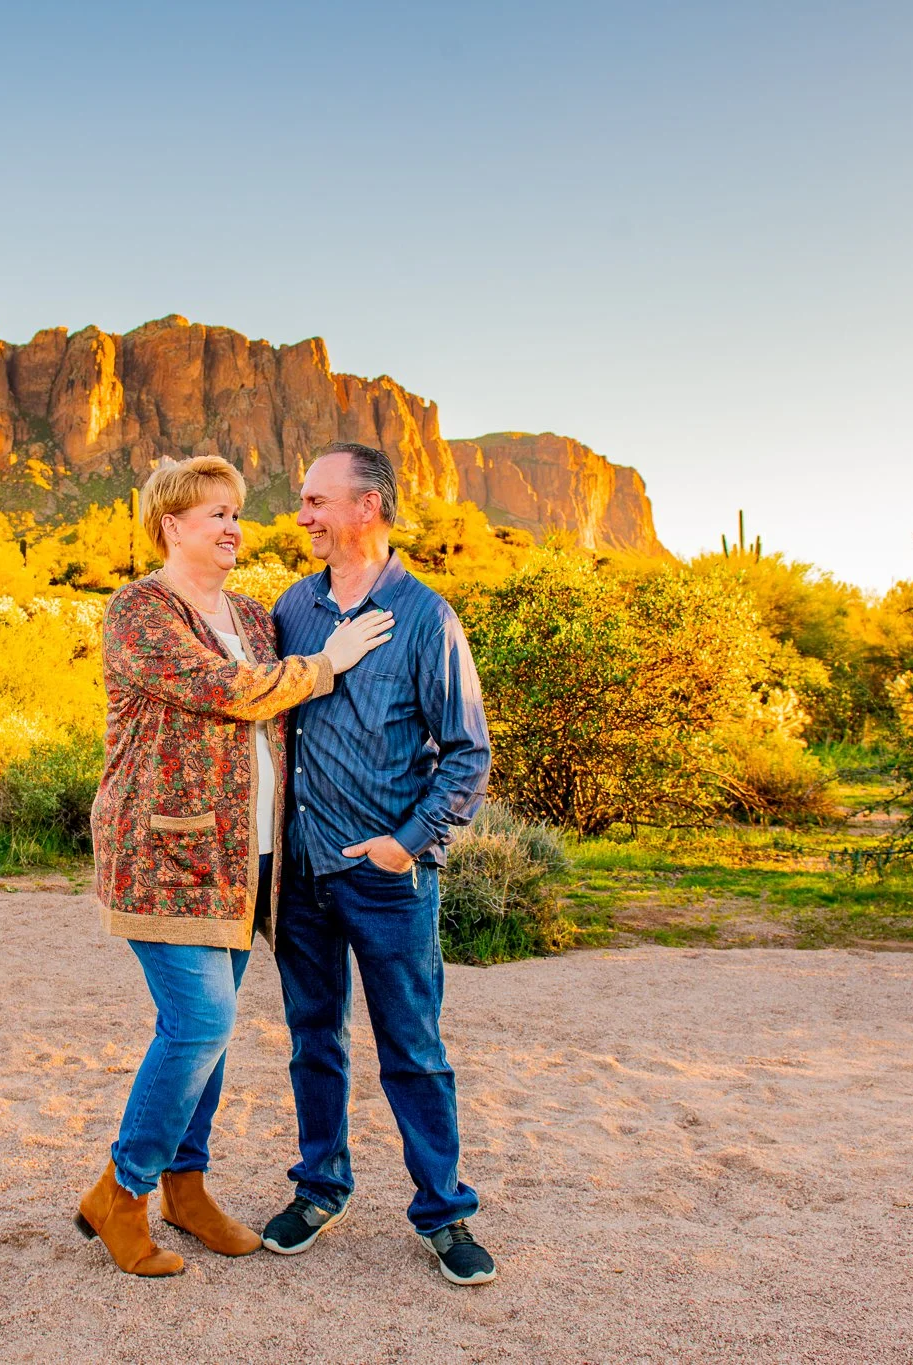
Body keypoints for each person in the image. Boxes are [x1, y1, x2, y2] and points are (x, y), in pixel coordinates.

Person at [77, 454, 394, 1278]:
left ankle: (187, 1188)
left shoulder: (255, 616)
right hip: (165, 856)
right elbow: (233, 690)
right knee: (201, 1023)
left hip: (248, 859)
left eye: (235, 513)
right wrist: (330, 661)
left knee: (205, 1036)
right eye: (213, 513)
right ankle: (123, 1189)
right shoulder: (140, 610)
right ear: (171, 526)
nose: (231, 527)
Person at [263, 441, 497, 1286]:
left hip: (389, 878)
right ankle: (320, 1187)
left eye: (317, 501)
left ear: (369, 507)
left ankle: (444, 1210)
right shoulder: (294, 608)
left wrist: (407, 842)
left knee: (414, 1047)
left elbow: (469, 755)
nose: (303, 517)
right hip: (303, 877)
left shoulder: (427, 617)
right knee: (312, 1040)